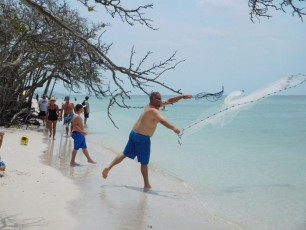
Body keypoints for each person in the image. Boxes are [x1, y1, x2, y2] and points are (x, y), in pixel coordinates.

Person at [102, 92, 192, 189]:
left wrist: (182, 97)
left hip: (134, 133)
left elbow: (169, 101)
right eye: (159, 98)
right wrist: (174, 128)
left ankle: (109, 167)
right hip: (142, 137)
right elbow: (162, 121)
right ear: (153, 99)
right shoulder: (154, 111)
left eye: (161, 98)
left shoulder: (150, 106)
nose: (161, 100)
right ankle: (146, 184)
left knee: (125, 153)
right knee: (144, 163)